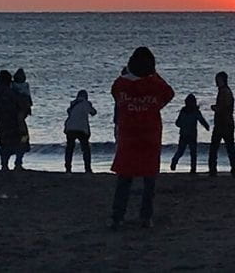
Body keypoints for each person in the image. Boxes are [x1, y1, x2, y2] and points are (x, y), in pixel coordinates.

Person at [110, 47, 175, 230]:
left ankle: (117, 217)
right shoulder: (155, 85)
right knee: (149, 180)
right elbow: (169, 93)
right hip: (150, 135)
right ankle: (145, 218)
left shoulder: (121, 84)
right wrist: (155, 79)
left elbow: (115, 94)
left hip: (128, 136)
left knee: (124, 179)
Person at [208, 71, 235, 176]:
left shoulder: (225, 92)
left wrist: (215, 108)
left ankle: (215, 169)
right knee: (228, 147)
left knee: (217, 147)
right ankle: (232, 168)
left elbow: (224, 108)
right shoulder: (224, 91)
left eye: (218, 80)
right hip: (225, 122)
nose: (216, 82)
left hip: (224, 123)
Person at [0, 70, 26, 171]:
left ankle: (4, 164)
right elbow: (20, 103)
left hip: (1, 122)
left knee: (4, 144)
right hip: (14, 121)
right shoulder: (10, 92)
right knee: (23, 140)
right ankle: (18, 163)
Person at [170, 94, 209, 173]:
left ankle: (175, 160)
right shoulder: (196, 111)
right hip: (192, 134)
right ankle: (193, 169)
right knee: (193, 152)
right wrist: (206, 126)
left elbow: (177, 123)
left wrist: (182, 125)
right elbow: (201, 120)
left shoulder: (183, 111)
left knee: (181, 151)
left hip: (183, 134)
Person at [64, 89, 97, 173]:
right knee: (85, 149)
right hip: (82, 129)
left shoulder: (73, 104)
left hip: (70, 128)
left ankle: (68, 168)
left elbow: (69, 112)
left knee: (69, 148)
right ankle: (87, 168)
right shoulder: (86, 103)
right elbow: (93, 112)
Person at [12, 68, 33, 159]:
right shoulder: (25, 87)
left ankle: (13, 162)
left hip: (13, 119)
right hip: (19, 122)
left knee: (18, 140)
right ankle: (18, 161)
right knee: (23, 139)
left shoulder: (12, 86)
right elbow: (29, 101)